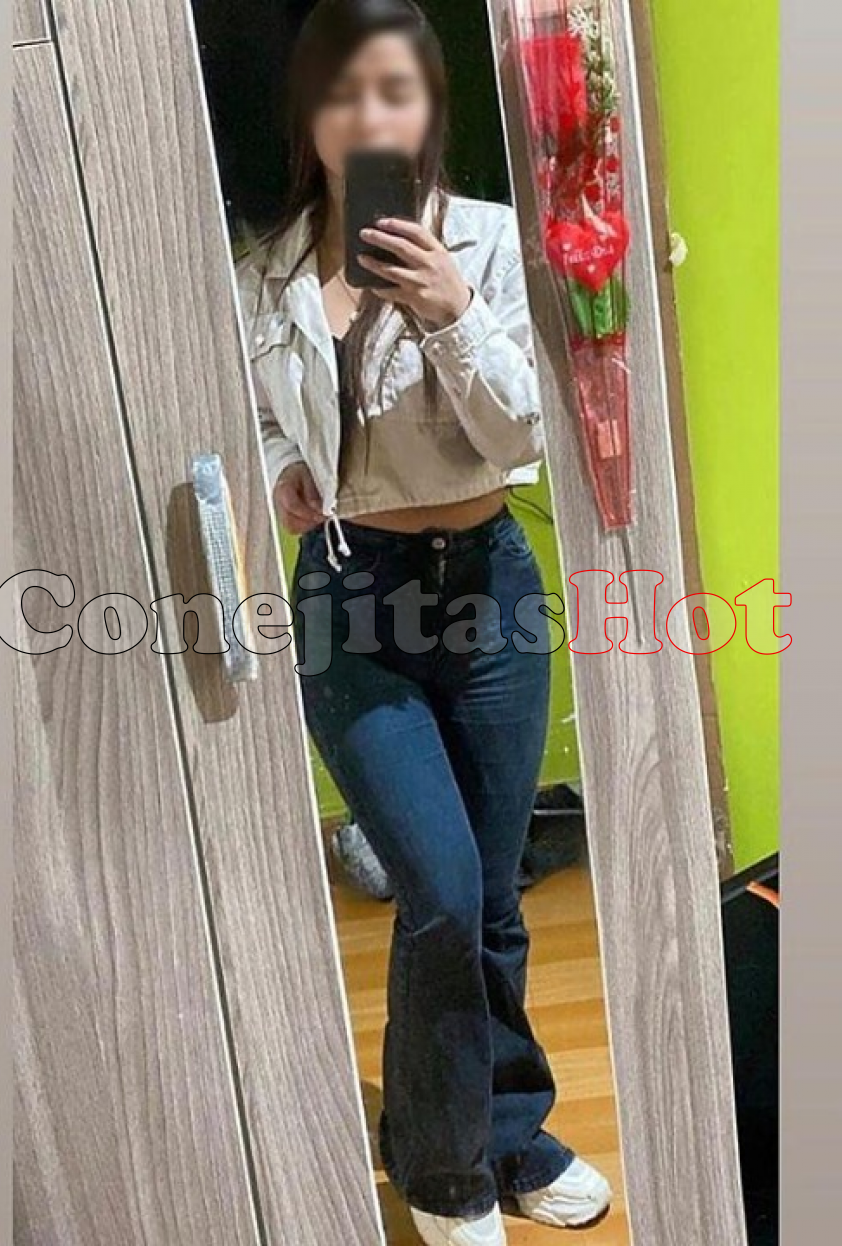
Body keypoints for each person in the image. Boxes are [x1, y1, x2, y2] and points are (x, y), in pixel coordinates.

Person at [236, 3, 611, 1243]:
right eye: (343, 93)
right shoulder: (268, 268)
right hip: (354, 594)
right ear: (311, 115)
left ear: (430, 108)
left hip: (489, 587)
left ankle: (511, 1133)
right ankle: (445, 1174)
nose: (370, 117)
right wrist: (287, 466)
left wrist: (451, 308)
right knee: (442, 890)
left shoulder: (489, 243)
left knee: (492, 897)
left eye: (394, 90)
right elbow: (266, 413)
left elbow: (520, 435)